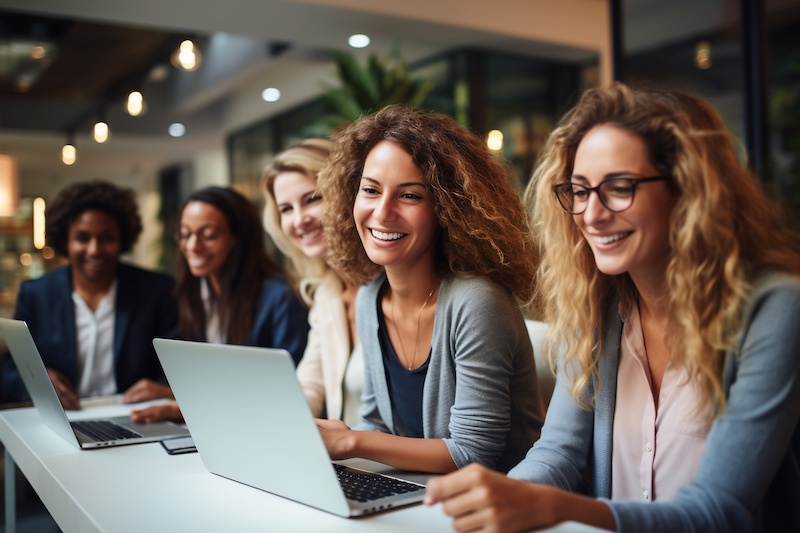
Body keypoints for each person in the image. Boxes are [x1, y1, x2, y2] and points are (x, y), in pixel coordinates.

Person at [425, 83, 800, 532]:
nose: (592, 214)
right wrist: (510, 497)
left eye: (619, 187)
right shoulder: (597, 304)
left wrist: (558, 509)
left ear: (689, 189)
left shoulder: (775, 308)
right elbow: (557, 454)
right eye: (580, 191)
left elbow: (719, 511)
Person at [314, 104, 544, 475]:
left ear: (447, 209)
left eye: (410, 196)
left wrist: (350, 440)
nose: (383, 212)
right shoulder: (371, 299)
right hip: (418, 498)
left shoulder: (477, 302)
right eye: (371, 190)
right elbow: (379, 426)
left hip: (494, 509)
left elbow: (473, 452)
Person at [131, 185, 309, 423]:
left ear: (238, 239)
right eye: (185, 234)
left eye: (208, 235)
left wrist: (183, 407)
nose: (193, 246)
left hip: (264, 426)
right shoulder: (190, 295)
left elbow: (291, 388)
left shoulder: (279, 297)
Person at [0, 180, 178, 408]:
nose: (94, 249)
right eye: (83, 238)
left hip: (137, 417)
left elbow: (177, 366)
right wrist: (37, 381)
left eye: (107, 238)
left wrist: (161, 388)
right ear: (66, 240)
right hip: (63, 417)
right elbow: (10, 369)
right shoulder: (36, 294)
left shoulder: (157, 290)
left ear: (122, 240)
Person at [262, 139, 364, 427]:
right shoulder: (327, 292)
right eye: (286, 209)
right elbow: (311, 383)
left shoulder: (394, 284)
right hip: (352, 463)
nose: (299, 220)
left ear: (346, 192)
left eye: (312, 199)